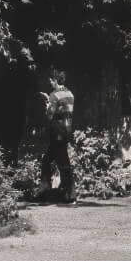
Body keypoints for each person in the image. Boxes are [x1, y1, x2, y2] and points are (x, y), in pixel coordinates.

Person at [39, 70, 76, 203]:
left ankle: (66, 194)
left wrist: (47, 104)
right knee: (53, 160)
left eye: (50, 80)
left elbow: (49, 116)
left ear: (55, 80)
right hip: (66, 131)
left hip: (57, 132)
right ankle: (60, 193)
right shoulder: (70, 93)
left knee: (61, 162)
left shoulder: (54, 95)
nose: (49, 83)